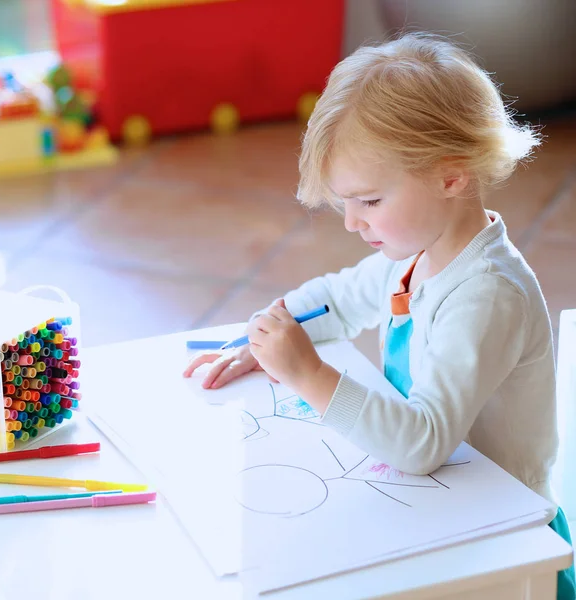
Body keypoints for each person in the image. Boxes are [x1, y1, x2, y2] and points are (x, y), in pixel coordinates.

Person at [183, 33, 574, 598]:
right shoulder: (419, 252)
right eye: (345, 202)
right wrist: (274, 332)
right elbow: (337, 301)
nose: (351, 222)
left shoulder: (486, 295)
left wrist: (307, 374)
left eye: (368, 201)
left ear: (451, 175)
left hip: (509, 539)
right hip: (439, 505)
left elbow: (423, 442)